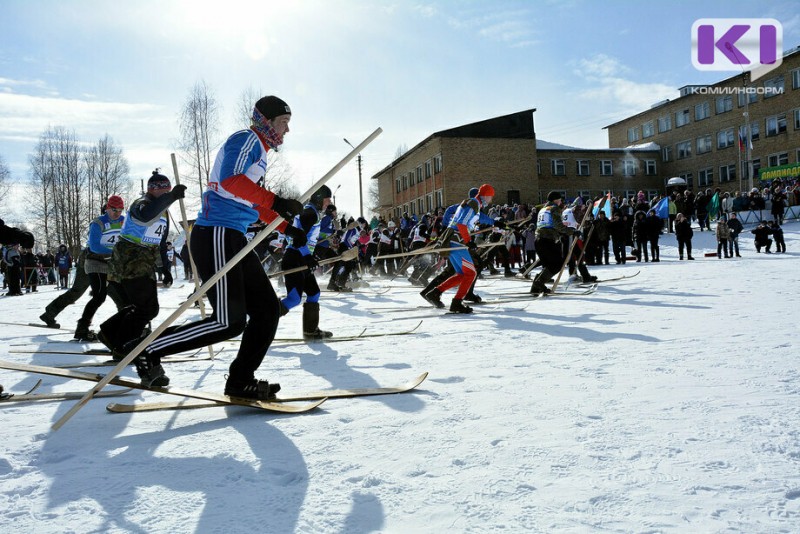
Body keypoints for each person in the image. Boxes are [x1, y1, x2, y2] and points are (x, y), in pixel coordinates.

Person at [113, 95, 304, 397]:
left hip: (232, 235)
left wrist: (286, 226)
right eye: (283, 123)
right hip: (216, 232)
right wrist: (277, 201)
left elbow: (250, 199)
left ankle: (241, 381)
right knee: (228, 322)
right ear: (265, 121)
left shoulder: (258, 153)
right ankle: (144, 349)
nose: (286, 131)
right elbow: (231, 182)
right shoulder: (247, 140)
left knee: (267, 310)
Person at [97, 171, 186, 378]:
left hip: (145, 261)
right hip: (130, 258)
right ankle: (121, 344)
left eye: (167, 188)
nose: (164, 192)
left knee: (145, 307)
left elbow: (161, 242)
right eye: (160, 189)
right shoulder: (141, 204)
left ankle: (111, 334)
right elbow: (146, 216)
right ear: (151, 189)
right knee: (147, 308)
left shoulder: (163, 212)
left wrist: (165, 267)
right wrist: (171, 197)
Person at [423, 184, 495, 313]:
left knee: (462, 275)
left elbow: (480, 218)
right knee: (471, 273)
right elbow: (461, 224)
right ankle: (456, 303)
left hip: (453, 241)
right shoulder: (473, 203)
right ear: (486, 195)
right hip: (457, 242)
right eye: (491, 197)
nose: (491, 200)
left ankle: (435, 293)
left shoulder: (475, 205)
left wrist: (496, 222)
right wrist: (469, 242)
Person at [279, 185, 334, 340]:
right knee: (294, 299)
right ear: (318, 198)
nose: (328, 203)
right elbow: (298, 238)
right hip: (295, 258)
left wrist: (311, 256)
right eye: (327, 199)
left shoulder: (313, 212)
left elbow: (306, 239)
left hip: (301, 258)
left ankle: (310, 331)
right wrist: (307, 257)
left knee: (314, 293)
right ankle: (262, 321)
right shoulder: (309, 213)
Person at [73, 195, 125, 341]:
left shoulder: (124, 222)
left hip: (112, 265)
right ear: (107, 208)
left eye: (120, 210)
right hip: (95, 263)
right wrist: (115, 253)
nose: (117, 213)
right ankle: (82, 328)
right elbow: (95, 246)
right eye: (114, 210)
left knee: (123, 296)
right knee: (99, 296)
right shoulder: (98, 223)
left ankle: (127, 327)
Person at [530, 191, 578, 295]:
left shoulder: (543, 209)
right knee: (557, 265)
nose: (561, 201)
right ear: (556, 200)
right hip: (547, 240)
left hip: (539, 240)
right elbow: (558, 226)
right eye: (560, 199)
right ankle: (539, 282)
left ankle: (535, 287)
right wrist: (572, 231)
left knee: (549, 265)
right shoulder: (554, 208)